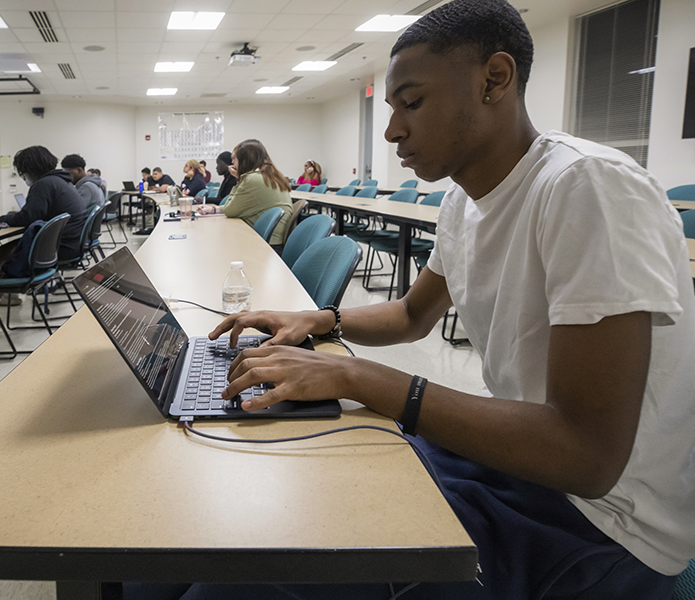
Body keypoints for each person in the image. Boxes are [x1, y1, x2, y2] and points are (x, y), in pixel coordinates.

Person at [142, 1, 695, 598]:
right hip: (513, 469)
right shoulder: (465, 200)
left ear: (494, 80)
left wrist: (357, 378)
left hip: (597, 526)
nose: (392, 130)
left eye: (412, 103)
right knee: (218, 525)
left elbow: (587, 456)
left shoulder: (587, 187)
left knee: (243, 580)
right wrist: (319, 319)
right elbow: (411, 315)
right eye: (391, 108)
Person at [0, 146, 86, 334]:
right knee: (3, 251)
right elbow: (34, 214)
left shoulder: (43, 184)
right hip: (71, 244)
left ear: (28, 169)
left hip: (59, 248)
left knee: (2, 255)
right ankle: (7, 297)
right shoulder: (61, 182)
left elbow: (28, 218)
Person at [196, 140, 292, 248]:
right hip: (271, 240)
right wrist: (214, 210)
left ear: (244, 160)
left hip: (267, 245)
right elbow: (234, 207)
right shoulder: (268, 174)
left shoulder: (253, 179)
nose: (232, 164)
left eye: (234, 159)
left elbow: (230, 210)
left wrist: (237, 178)